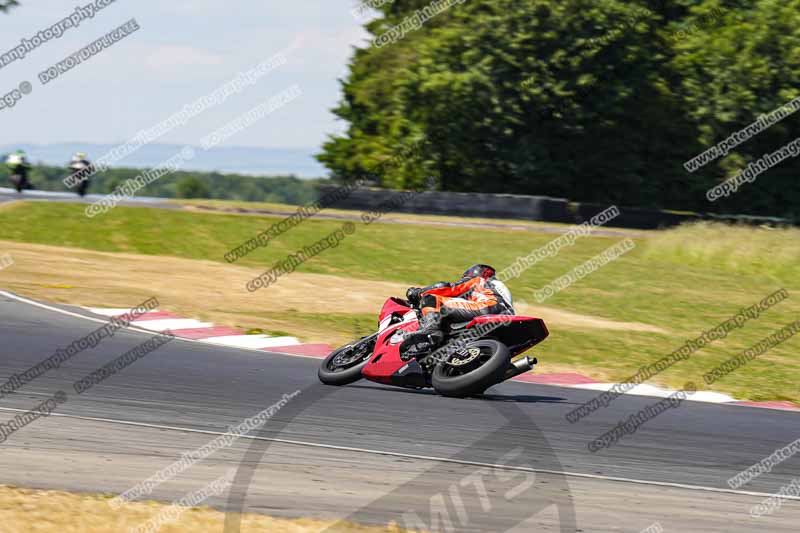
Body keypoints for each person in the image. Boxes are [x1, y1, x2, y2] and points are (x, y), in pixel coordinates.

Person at [404, 264, 514, 350]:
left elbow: (447, 288)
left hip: (487, 307)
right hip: (506, 318)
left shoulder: (479, 280)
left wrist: (418, 293)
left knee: (431, 299)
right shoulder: (496, 287)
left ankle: (431, 330)